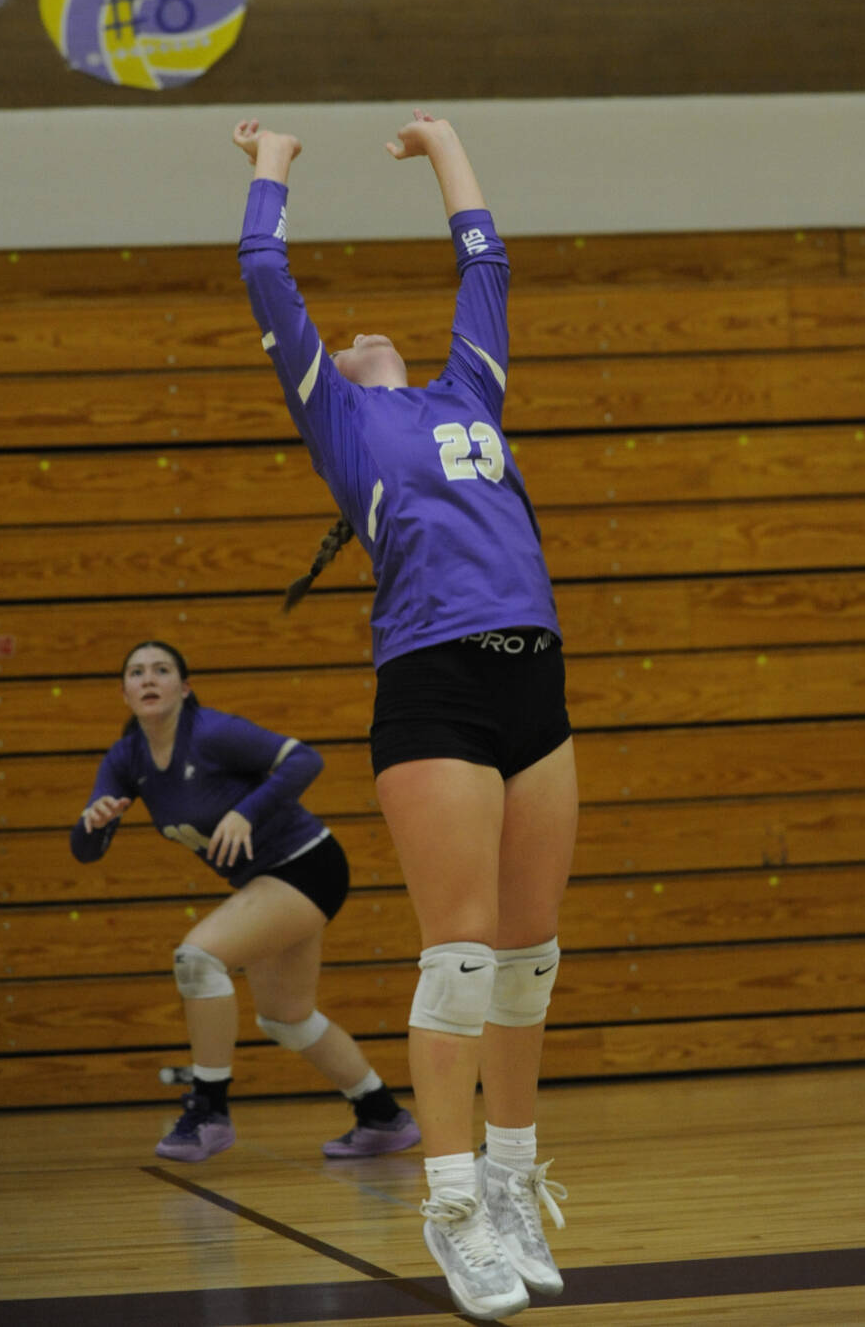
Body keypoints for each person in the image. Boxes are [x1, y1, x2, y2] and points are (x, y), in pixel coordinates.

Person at [234, 111, 579, 1322]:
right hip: (432, 688)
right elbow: (264, 277)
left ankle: (510, 1180)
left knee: (529, 965)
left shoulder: (467, 383)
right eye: (356, 335)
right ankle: (448, 1208)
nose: (370, 331)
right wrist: (272, 171)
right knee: (462, 961)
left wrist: (442, 147)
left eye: (386, 333)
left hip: (532, 677)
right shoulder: (343, 418)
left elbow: (485, 258)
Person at [71, 638, 420, 1165]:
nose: (148, 679)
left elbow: (304, 759)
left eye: (161, 670)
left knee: (197, 959)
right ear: (123, 692)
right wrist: (92, 824)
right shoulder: (127, 758)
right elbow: (86, 850)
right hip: (269, 881)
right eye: (136, 672)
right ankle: (382, 1115)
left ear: (184, 688)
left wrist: (246, 812)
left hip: (307, 864)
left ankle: (209, 1110)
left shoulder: (212, 732)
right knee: (286, 1019)